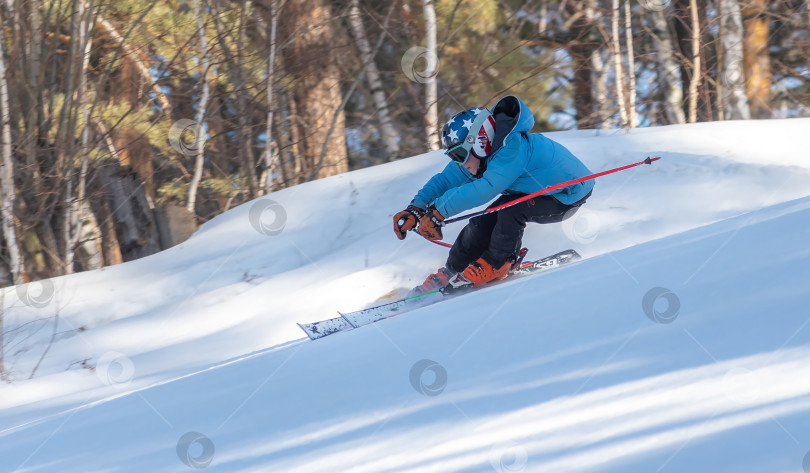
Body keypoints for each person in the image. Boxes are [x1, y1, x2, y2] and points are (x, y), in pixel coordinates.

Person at [393, 95, 594, 294]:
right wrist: (416, 208)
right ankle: (453, 270)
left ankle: (497, 263)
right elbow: (446, 180)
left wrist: (438, 212)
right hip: (534, 191)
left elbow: (487, 188)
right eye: (454, 156)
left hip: (566, 195)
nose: (460, 163)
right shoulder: (480, 155)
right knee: (485, 218)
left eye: (460, 155)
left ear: (480, 141)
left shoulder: (512, 148)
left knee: (512, 211)